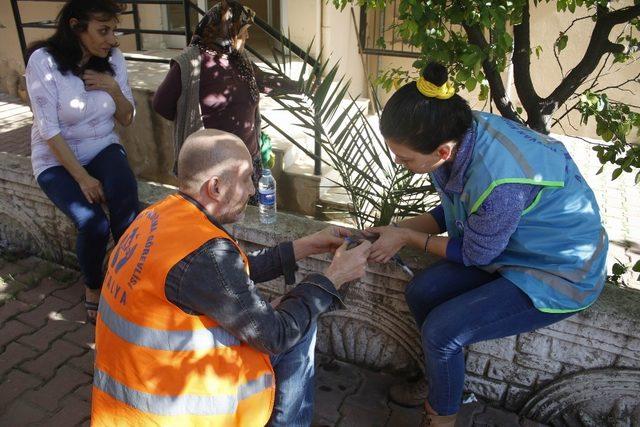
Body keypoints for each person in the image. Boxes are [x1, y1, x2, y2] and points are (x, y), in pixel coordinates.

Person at [366, 63, 608, 426]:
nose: (401, 165)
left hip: (559, 271)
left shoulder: (499, 181)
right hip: (512, 249)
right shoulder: (454, 129)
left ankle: (442, 416)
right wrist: (393, 230)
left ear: (443, 152)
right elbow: (452, 209)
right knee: (421, 292)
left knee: (441, 332)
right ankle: (444, 380)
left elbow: (475, 254)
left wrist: (406, 236)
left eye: (406, 159)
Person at [91, 129, 371, 426]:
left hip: (129, 407)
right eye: (247, 178)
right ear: (216, 188)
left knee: (291, 312)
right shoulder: (205, 255)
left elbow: (230, 274)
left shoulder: (160, 215)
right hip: (178, 413)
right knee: (297, 326)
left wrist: (307, 245)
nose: (252, 190)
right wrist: (333, 277)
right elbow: (275, 335)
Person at [25, 0, 138, 324]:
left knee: (126, 204)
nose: (112, 39)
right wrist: (83, 179)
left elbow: (127, 118)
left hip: (102, 146)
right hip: (55, 158)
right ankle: (94, 286)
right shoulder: (43, 62)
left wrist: (114, 89)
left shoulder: (113, 60)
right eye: (103, 30)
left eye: (113, 30)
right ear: (76, 26)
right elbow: (48, 129)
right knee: (93, 223)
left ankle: (129, 280)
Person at [152, 0, 297, 193]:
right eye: (243, 30)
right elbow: (162, 104)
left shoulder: (239, 60)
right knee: (221, 220)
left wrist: (301, 86)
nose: (247, 36)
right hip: (215, 170)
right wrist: (194, 116)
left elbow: (265, 82)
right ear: (228, 29)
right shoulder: (191, 62)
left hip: (248, 161)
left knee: (252, 219)